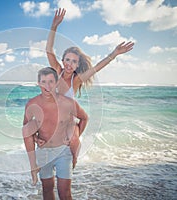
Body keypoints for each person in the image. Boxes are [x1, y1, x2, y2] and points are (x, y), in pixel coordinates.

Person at [39, 8, 135, 166]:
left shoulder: (76, 81)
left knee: (73, 139)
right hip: (51, 119)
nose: (70, 64)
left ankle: (75, 154)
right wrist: (54, 26)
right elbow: (48, 50)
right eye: (67, 60)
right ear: (63, 60)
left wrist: (114, 54)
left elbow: (96, 67)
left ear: (78, 65)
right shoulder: (56, 72)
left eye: (74, 62)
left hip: (67, 122)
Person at [22, 67, 88, 200]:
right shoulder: (32, 104)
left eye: (51, 81)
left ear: (57, 83)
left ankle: (72, 158)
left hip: (63, 152)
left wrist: (74, 138)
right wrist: (35, 138)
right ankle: (33, 167)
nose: (47, 86)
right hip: (43, 151)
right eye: (44, 82)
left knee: (64, 193)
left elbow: (84, 118)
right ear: (38, 83)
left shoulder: (68, 103)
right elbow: (26, 127)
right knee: (47, 190)